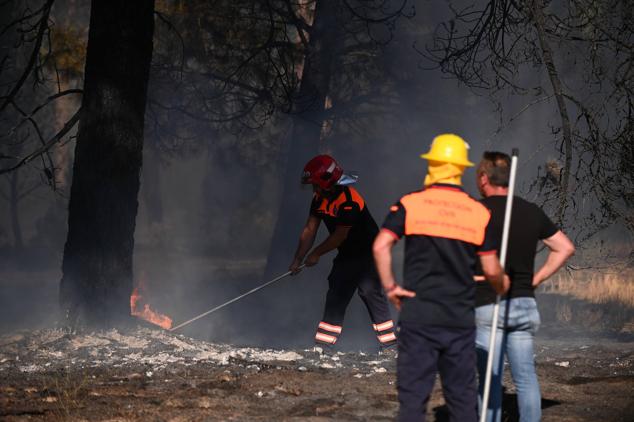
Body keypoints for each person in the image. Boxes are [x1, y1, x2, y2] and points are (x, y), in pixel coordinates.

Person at [373, 134, 509, 422]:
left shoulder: (411, 203)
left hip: (418, 317)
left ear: (432, 163)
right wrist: (502, 285)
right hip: (458, 319)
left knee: (412, 402)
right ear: (461, 168)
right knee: (462, 402)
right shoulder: (478, 211)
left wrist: (390, 287)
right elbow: (491, 269)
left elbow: (380, 245)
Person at [474, 151, 575, 422]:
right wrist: (536, 278)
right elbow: (564, 248)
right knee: (526, 378)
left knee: (490, 380)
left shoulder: (475, 211)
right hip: (523, 304)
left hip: (489, 304)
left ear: (484, 178)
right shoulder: (531, 211)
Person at [289, 154, 397, 349]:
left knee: (369, 291)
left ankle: (390, 347)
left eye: (316, 184)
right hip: (348, 254)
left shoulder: (349, 201)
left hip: (371, 253)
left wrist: (316, 253)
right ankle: (322, 346)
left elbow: (339, 236)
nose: (314, 189)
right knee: (337, 291)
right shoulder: (318, 199)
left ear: (327, 182)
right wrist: (298, 258)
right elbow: (310, 229)